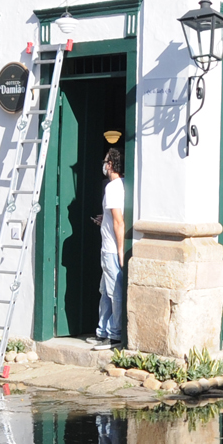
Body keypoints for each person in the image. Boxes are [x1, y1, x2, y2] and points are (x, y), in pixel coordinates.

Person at [91, 144, 126, 349]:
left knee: (114, 291)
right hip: (110, 246)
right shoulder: (122, 185)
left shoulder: (112, 187)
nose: (104, 164)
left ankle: (115, 334)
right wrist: (103, 219)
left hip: (111, 248)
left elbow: (118, 221)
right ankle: (103, 330)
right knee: (105, 290)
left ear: (111, 164)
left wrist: (120, 250)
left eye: (106, 161)